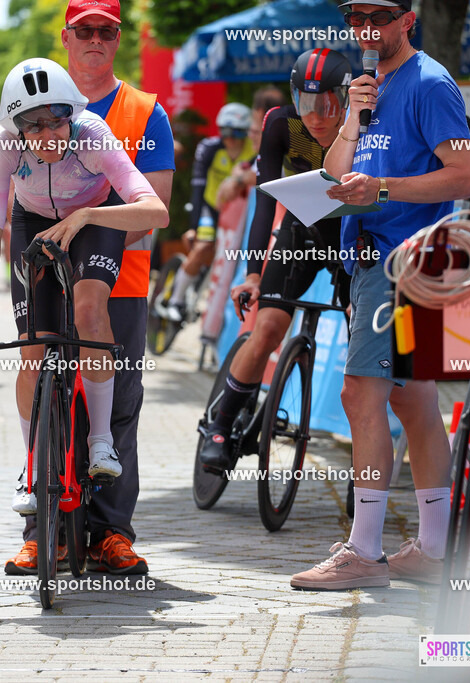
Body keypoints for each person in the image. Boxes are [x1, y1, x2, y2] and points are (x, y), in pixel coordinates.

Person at [290, 0, 470, 590]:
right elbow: (331, 175)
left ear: (407, 21)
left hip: (403, 262)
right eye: (356, 17)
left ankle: (364, 553)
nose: (366, 28)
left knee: (360, 395)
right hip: (376, 260)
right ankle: (434, 549)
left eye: (379, 15)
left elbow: (466, 176)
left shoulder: (428, 82)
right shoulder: (366, 87)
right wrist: (352, 116)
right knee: (413, 400)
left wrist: (384, 187)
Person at [0, 58, 168, 574]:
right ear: (16, 129)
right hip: (32, 222)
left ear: (72, 116)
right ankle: (34, 469)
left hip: (95, 220)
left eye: (57, 120)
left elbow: (156, 211)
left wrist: (89, 214)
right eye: (34, 124)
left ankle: (100, 443)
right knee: (34, 346)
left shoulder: (93, 134)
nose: (49, 133)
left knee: (91, 306)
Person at [23, 0, 175, 577]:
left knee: (119, 411)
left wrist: (94, 239)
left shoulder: (145, 111)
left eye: (106, 31)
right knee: (44, 395)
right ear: (65, 37)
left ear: (118, 39)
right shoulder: (33, 102)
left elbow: (150, 208)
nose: (94, 40)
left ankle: (111, 532)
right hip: (46, 268)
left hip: (123, 281)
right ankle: (44, 532)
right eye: (83, 30)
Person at [197, 48, 355, 473]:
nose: (316, 117)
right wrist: (252, 273)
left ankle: (365, 470)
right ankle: (220, 424)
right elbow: (264, 202)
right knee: (266, 327)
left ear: (344, 97)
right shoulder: (281, 123)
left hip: (356, 238)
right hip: (303, 232)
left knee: (362, 349)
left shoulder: (366, 122)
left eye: (325, 106)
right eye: (306, 104)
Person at [162, 102, 254, 321]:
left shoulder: (254, 150)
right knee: (202, 247)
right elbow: (198, 187)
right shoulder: (210, 148)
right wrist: (193, 227)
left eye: (237, 132)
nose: (230, 138)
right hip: (209, 206)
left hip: (237, 213)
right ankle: (176, 299)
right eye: (225, 131)